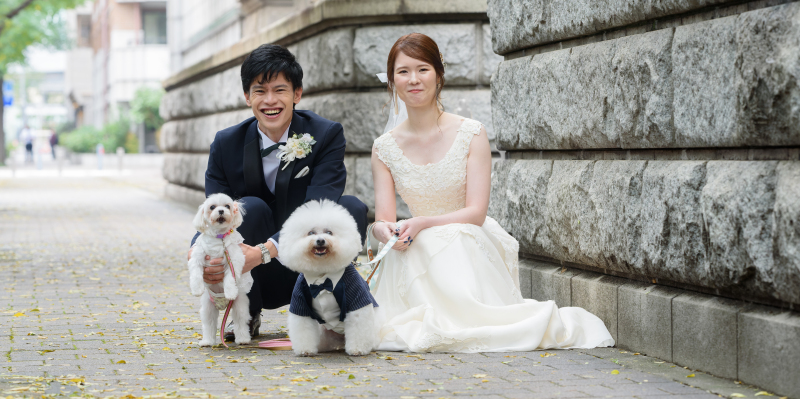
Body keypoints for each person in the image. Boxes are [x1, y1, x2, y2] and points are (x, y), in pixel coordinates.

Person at [369, 33, 615, 352]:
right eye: (403, 72)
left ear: (439, 75)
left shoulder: (471, 133)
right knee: (416, 246)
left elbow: (476, 212)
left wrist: (421, 223)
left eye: (422, 69)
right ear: (392, 80)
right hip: (413, 243)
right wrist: (384, 230)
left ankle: (464, 317)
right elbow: (382, 220)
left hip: (466, 235)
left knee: (439, 239)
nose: (413, 79)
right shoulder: (384, 148)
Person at [188, 45, 369, 339]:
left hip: (309, 259)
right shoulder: (226, 143)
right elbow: (213, 217)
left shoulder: (325, 134)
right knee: (248, 207)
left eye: (279, 90)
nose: (270, 101)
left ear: (297, 94)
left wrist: (264, 251)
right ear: (247, 96)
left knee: (350, 208)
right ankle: (247, 315)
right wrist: (200, 252)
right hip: (253, 275)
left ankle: (330, 310)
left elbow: (319, 205)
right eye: (260, 91)